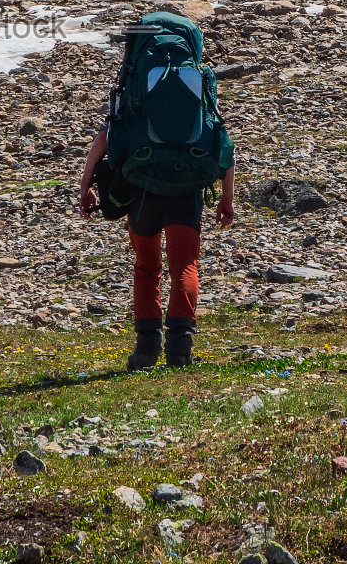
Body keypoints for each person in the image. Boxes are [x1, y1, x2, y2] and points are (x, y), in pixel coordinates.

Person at [78, 101, 235, 372]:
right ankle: (180, 350)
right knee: (184, 266)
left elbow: (105, 136)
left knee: (146, 267)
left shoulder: (137, 78)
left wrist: (86, 184)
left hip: (142, 190)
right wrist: (227, 198)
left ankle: (147, 350)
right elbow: (223, 143)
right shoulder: (198, 80)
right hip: (186, 190)